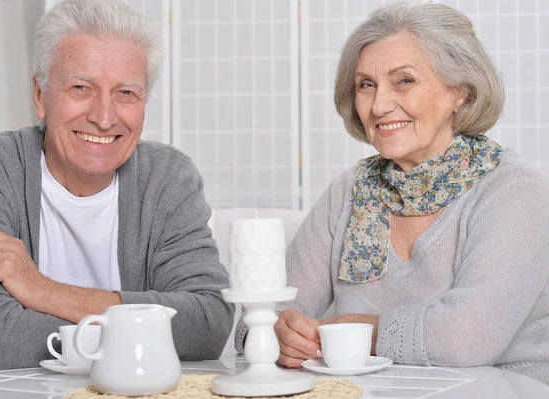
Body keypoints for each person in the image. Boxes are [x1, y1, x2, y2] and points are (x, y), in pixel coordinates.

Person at [235, 2, 549, 384]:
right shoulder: (349, 191)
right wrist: (278, 334)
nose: (380, 105)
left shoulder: (514, 191)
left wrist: (353, 329)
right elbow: (257, 322)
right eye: (366, 85)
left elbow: (467, 338)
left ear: (461, 94)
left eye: (404, 80)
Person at [0, 0, 233, 371]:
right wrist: (144, 331)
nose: (103, 117)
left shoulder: (169, 178)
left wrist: (40, 289)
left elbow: (207, 325)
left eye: (126, 93)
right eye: (81, 87)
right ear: (40, 96)